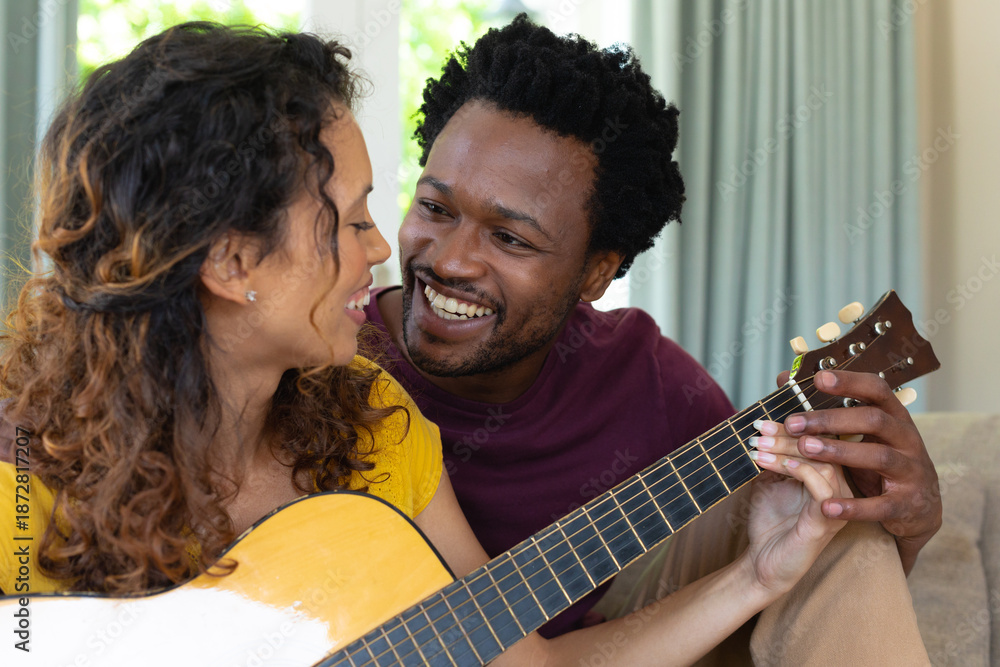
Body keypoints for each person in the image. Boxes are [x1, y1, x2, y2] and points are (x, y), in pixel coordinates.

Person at [0, 21, 854, 666]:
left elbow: (526, 665)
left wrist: (759, 575)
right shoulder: (22, 458)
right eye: (351, 221)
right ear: (230, 262)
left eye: (378, 211)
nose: (385, 250)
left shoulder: (375, 420)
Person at [363, 14, 938, 664]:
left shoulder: (653, 385)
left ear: (596, 273)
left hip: (612, 645)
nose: (450, 260)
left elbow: (811, 590)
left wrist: (904, 525)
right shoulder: (331, 370)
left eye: (510, 238)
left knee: (827, 517)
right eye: (435, 208)